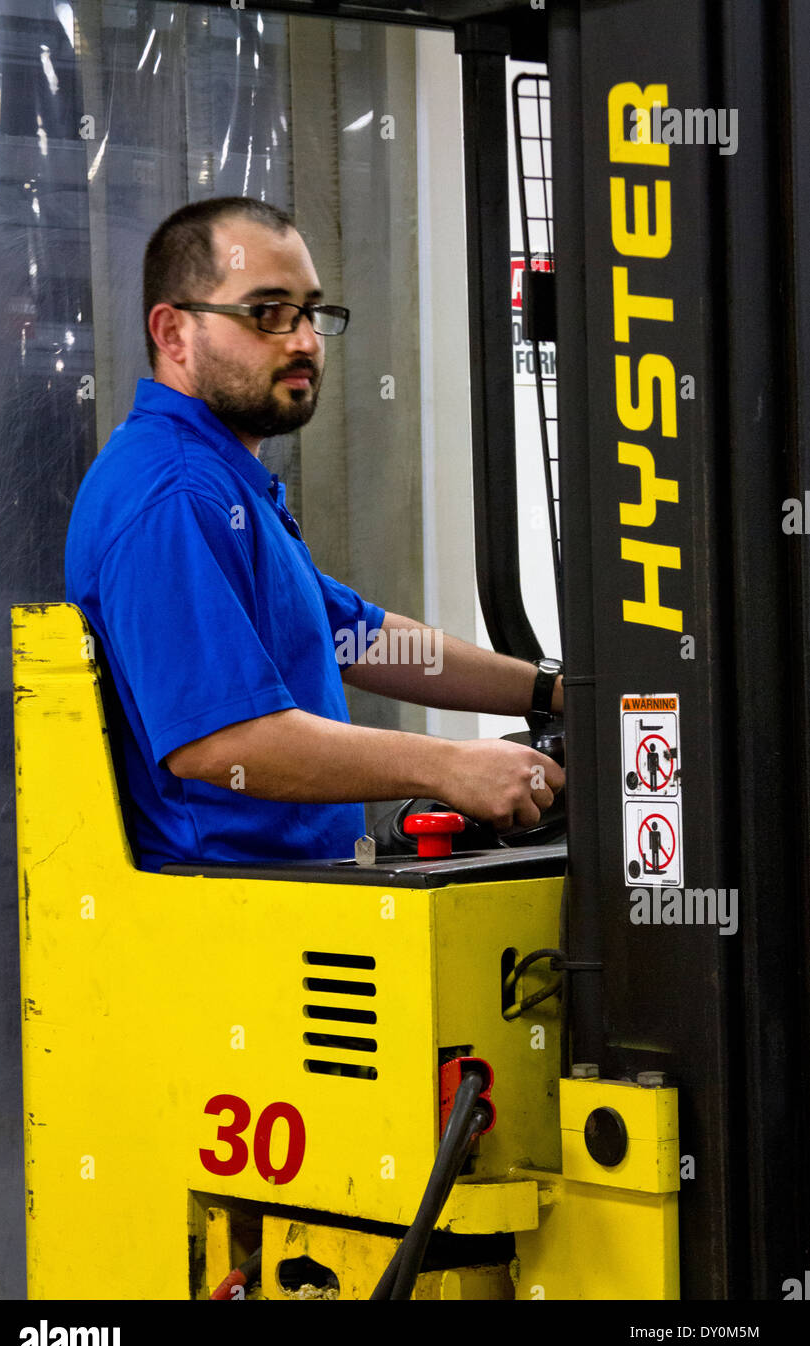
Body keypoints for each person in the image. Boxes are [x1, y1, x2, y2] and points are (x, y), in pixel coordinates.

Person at [65, 196, 564, 871]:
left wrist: (554, 691)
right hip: (234, 915)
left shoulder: (224, 480)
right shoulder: (174, 494)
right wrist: (448, 766)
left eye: (309, 314)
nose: (302, 340)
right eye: (266, 313)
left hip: (296, 891)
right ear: (173, 333)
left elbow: (360, 637)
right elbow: (221, 744)